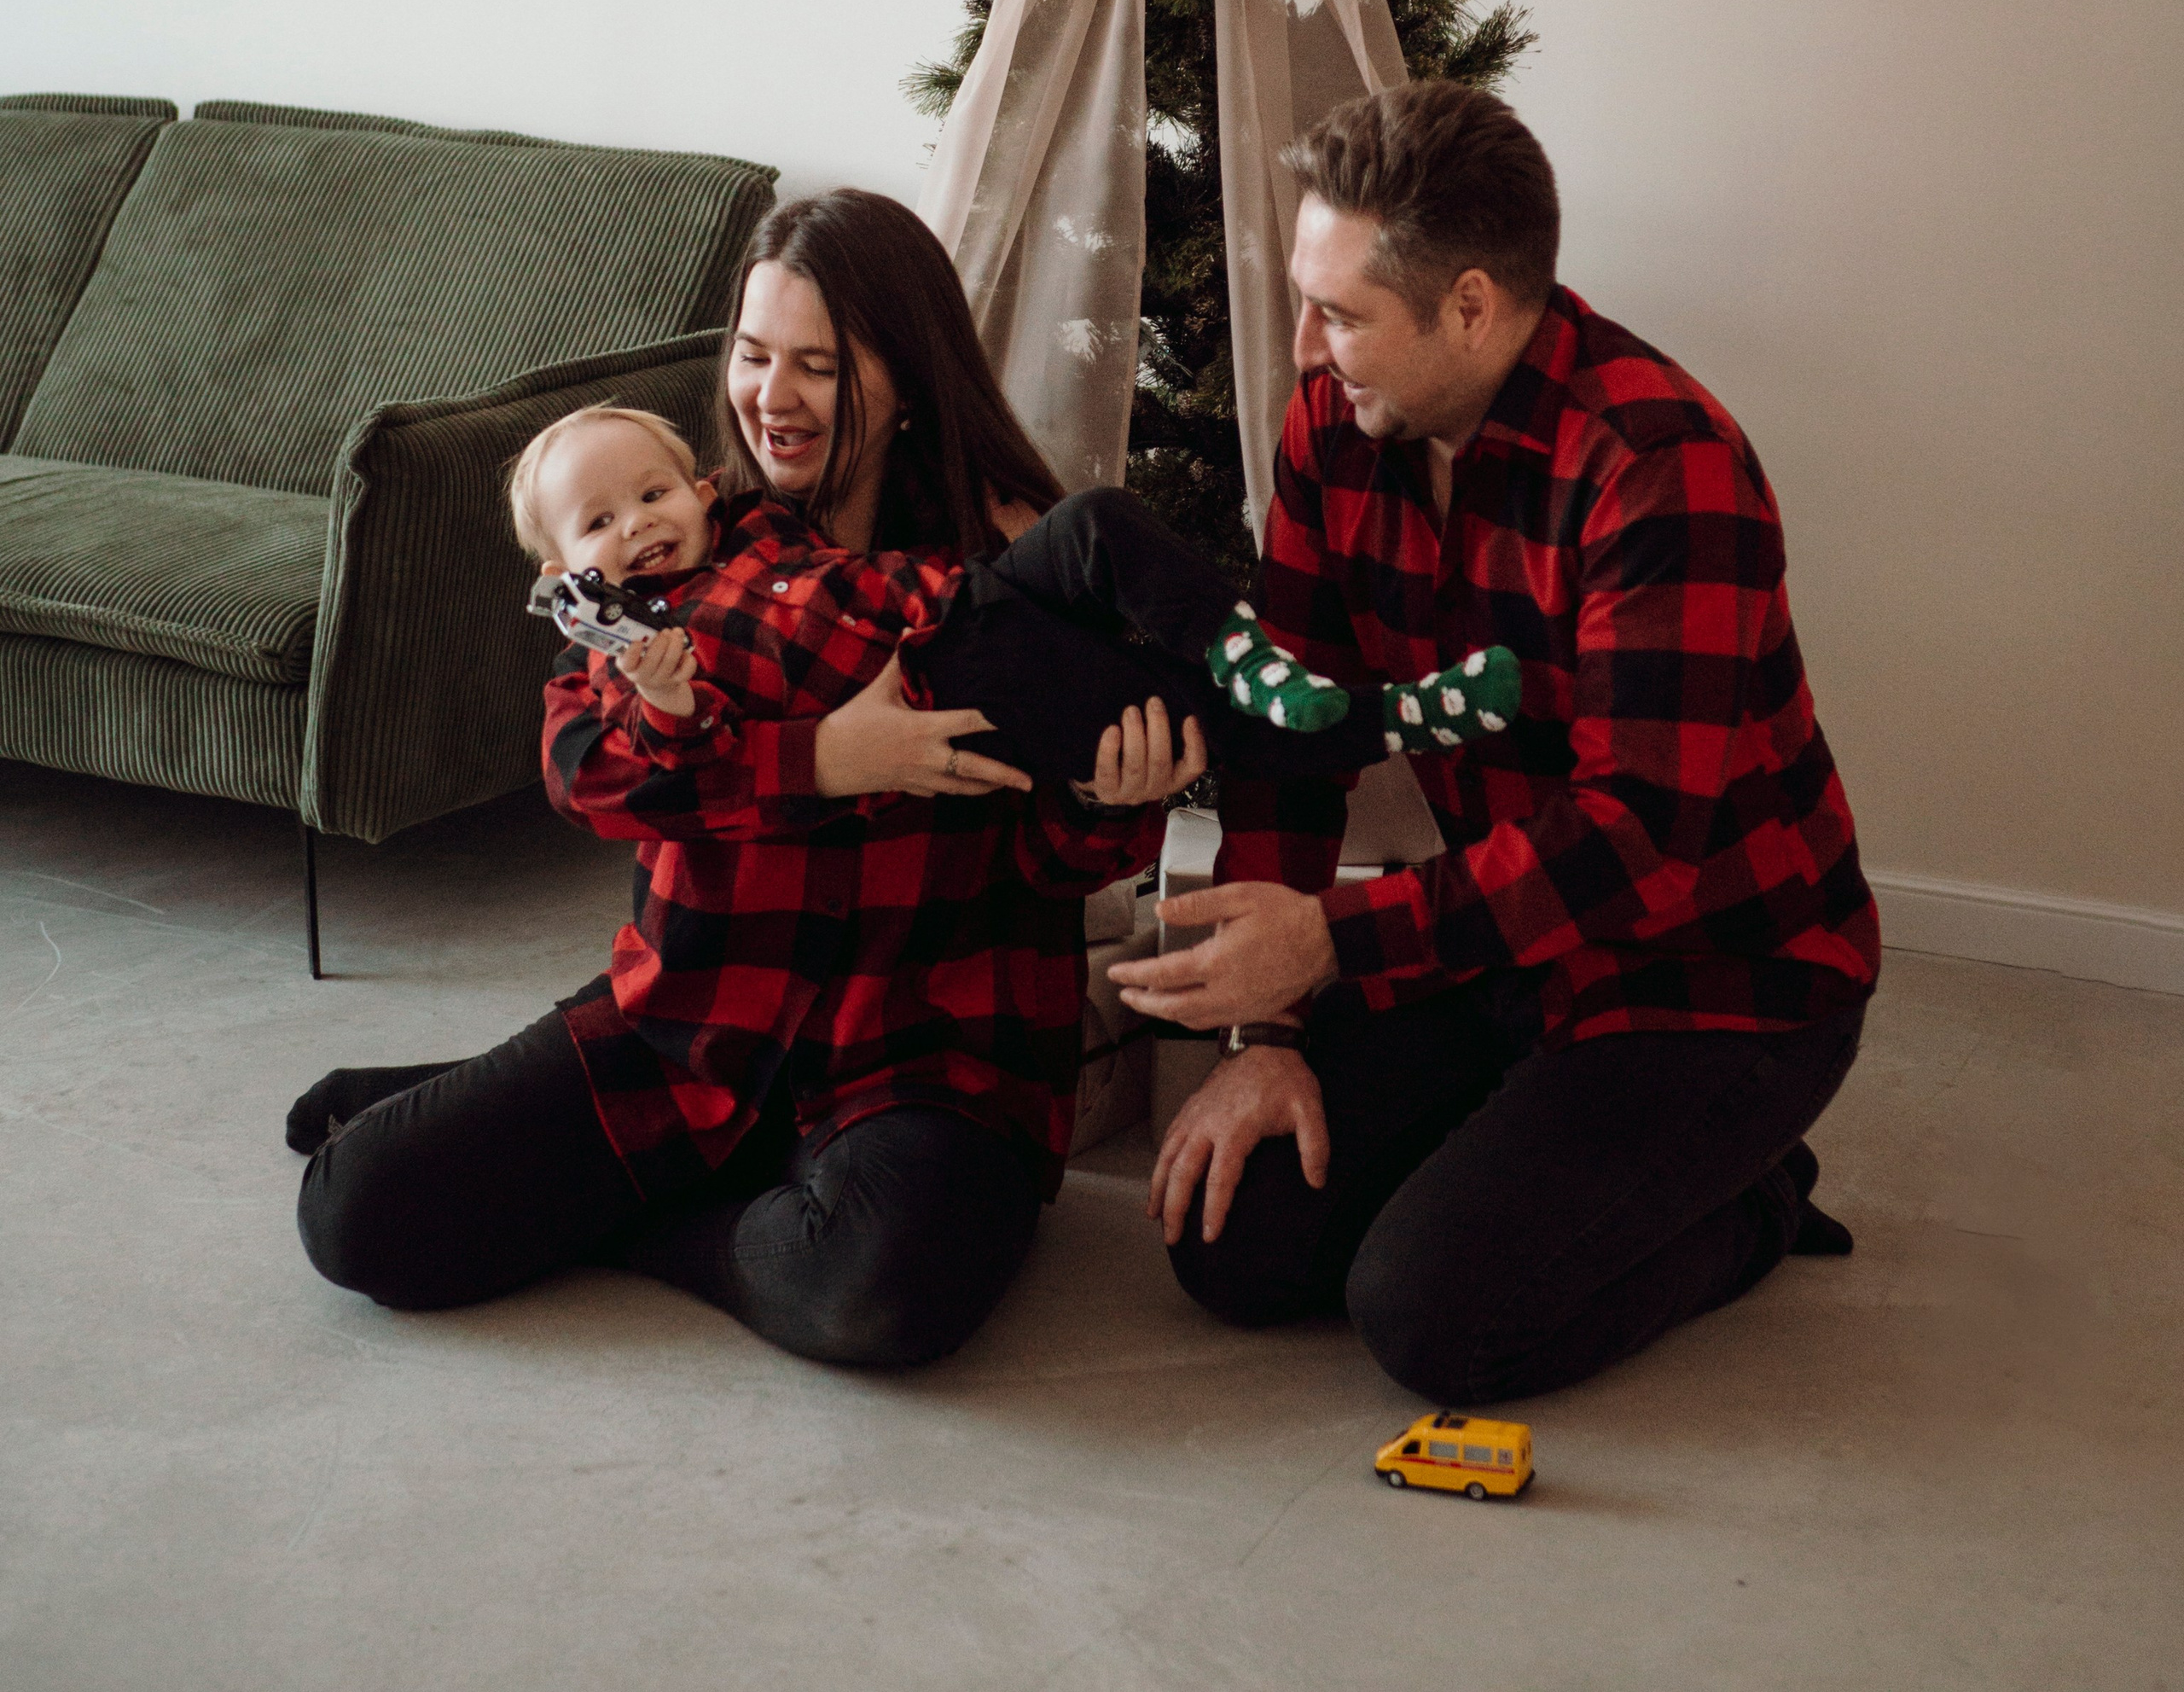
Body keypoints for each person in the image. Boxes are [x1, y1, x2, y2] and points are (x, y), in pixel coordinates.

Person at [289, 190, 1203, 1368]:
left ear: (910, 373)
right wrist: (825, 759)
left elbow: (1050, 862)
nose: (772, 396)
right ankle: (630, 1155)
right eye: (755, 354)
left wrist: (1105, 803)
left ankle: (667, 1223)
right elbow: (590, 770)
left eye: (817, 365)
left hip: (926, 1051)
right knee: (356, 1213)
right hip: (705, 1021)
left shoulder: (998, 575)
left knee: (877, 1295)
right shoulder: (676, 533)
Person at [1113, 81, 1879, 1404]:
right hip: (1505, 947)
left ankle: (1755, 1197)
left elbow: (1636, 842)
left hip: (1722, 980)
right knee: (1233, 1249)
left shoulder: (1660, 465)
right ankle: (1544, 1148)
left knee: (1436, 1321)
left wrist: (1336, 942)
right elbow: (1296, 728)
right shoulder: (1338, 432)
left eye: (1341, 314)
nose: (1302, 346)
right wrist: (1271, 1033)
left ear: (1470, 305)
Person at [507, 407, 1523, 788]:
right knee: (1167, 716)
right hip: (944, 685)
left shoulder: (759, 524)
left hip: (960, 598)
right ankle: (1392, 718)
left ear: (702, 490)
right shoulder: (632, 651)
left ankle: (1244, 648)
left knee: (1096, 521)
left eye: (650, 493)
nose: (636, 524)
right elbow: (683, 765)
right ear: (563, 573)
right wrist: (667, 696)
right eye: (597, 522)